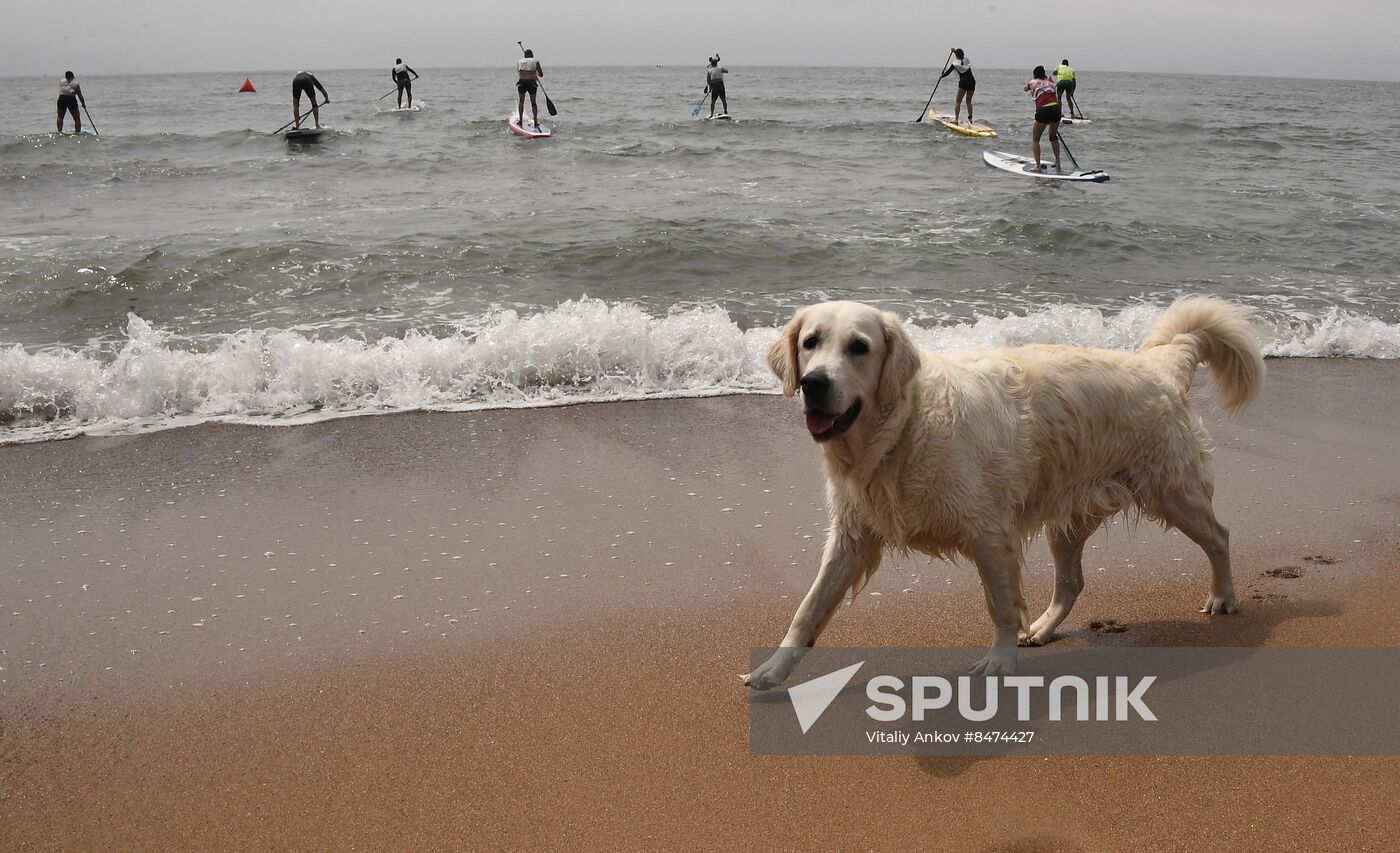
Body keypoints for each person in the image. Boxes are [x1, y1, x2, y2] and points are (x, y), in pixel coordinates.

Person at [1024, 65, 1062, 172]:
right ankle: (1057, 162)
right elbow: (1056, 98)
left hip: (1044, 110)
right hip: (1056, 109)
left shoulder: (1033, 82)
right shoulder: (1050, 83)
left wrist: (1026, 82)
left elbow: (1025, 89)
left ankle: (1038, 166)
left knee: (1035, 139)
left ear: (1035, 74)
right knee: (1053, 136)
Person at [939, 48, 976, 124]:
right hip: (972, 82)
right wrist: (954, 52)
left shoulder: (955, 64)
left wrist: (942, 76)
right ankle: (970, 119)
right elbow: (960, 57)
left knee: (958, 101)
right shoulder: (966, 60)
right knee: (968, 101)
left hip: (963, 82)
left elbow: (948, 72)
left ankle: (956, 120)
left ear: (956, 56)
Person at [516, 49, 544, 128]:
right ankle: (535, 121)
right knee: (533, 102)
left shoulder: (519, 61)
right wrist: (535, 74)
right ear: (532, 55)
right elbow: (541, 74)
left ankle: (520, 121)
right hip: (532, 83)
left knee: (521, 101)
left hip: (522, 82)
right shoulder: (536, 61)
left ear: (524, 56)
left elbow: (519, 73)